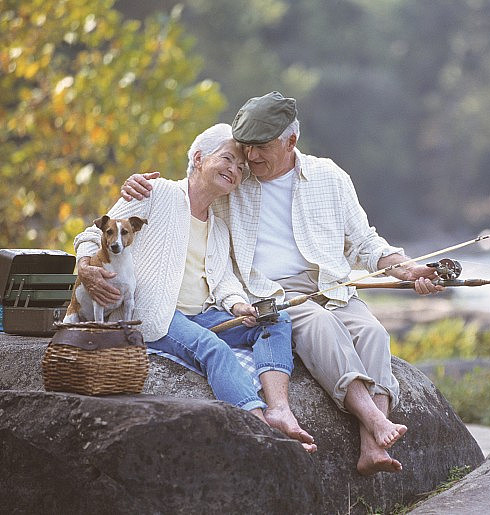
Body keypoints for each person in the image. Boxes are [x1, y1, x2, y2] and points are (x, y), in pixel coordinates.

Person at [122, 93, 442, 475]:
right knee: (321, 329)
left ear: (290, 142)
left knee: (373, 333)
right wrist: (138, 187)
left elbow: (365, 242)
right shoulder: (235, 181)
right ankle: (374, 420)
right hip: (271, 291)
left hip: (331, 284)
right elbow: (195, 183)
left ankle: (372, 447)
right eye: (244, 149)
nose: (250, 159)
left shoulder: (329, 176)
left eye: (260, 149)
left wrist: (407, 270)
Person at [74, 122, 315, 453]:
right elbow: (90, 235)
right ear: (199, 157)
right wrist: (86, 268)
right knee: (212, 348)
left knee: (273, 320)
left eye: (242, 167)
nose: (236, 169)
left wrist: (238, 305)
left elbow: (223, 278)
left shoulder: (217, 222)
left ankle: (279, 409)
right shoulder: (156, 194)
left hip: (202, 313)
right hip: (156, 314)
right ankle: (263, 431)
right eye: (228, 159)